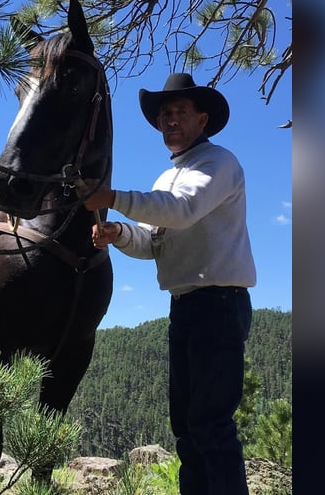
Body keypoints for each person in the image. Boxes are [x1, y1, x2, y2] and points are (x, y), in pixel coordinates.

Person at [79, 72, 256, 495]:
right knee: (187, 426)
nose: (170, 120)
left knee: (210, 423)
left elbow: (182, 210)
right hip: (188, 307)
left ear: (202, 119)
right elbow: (153, 242)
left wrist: (112, 197)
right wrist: (118, 233)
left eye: (179, 112)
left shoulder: (219, 163)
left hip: (220, 302)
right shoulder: (166, 179)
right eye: (164, 115)